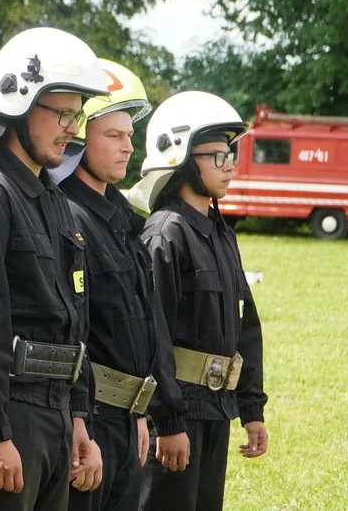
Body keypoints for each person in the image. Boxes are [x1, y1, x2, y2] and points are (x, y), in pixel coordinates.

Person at [0, 27, 108, 511]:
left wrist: (79, 416)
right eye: (61, 112)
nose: (72, 127)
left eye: (76, 115)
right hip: (11, 416)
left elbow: (76, 320)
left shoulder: (53, 200)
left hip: (56, 413)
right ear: (18, 105)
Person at [130, 91, 268, 511]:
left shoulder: (220, 231)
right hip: (177, 418)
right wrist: (167, 422)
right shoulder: (164, 234)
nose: (230, 166)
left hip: (215, 411)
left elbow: (245, 325)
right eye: (218, 157)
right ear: (182, 156)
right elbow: (152, 336)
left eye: (231, 155)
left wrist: (251, 408)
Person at [51, 60, 169, 511]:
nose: (127, 147)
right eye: (113, 136)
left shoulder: (121, 218)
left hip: (125, 418)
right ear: (79, 139)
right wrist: (83, 421)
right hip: (90, 420)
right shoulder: (67, 216)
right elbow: (73, 329)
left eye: (130, 136)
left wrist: (138, 409)